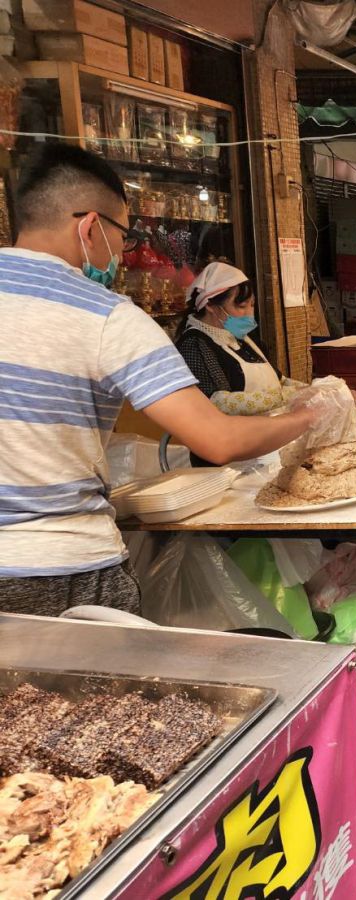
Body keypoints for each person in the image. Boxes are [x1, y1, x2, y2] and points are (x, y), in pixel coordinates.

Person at [0, 144, 316, 615]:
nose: (124, 256)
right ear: (90, 227)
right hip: (59, 567)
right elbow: (218, 440)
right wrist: (309, 416)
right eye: (123, 239)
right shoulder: (104, 315)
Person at [175, 262, 280, 403]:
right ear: (210, 305)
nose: (250, 313)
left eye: (252, 305)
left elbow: (279, 380)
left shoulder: (243, 339)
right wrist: (281, 397)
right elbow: (218, 401)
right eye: (242, 306)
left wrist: (309, 389)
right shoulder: (194, 345)